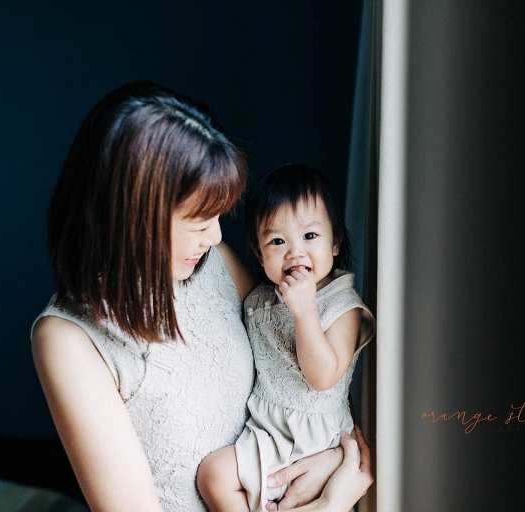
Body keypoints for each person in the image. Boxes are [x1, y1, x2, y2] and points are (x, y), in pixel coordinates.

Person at [30, 81, 373, 512]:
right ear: (135, 219)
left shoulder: (215, 263)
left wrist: (330, 458)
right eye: (198, 221)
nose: (214, 235)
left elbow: (303, 378)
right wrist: (330, 504)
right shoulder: (69, 339)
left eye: (217, 216)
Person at [197, 165, 375, 512]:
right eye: (278, 241)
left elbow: (323, 377)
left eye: (310, 237)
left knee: (216, 475)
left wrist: (305, 312)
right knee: (213, 475)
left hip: (315, 440)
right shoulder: (261, 298)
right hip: (266, 430)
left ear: (335, 242)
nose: (295, 252)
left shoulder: (342, 305)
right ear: (260, 253)